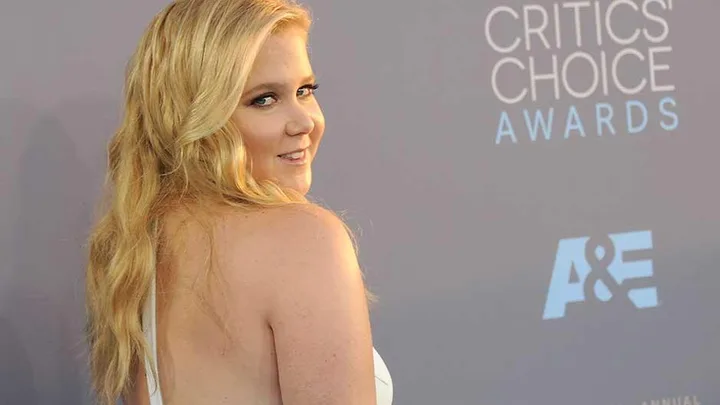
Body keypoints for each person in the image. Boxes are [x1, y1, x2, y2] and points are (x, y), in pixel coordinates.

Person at [84, 0, 393, 404]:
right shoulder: (302, 240)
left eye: (305, 90)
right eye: (264, 99)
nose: (305, 122)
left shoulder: (136, 248)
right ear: (198, 114)